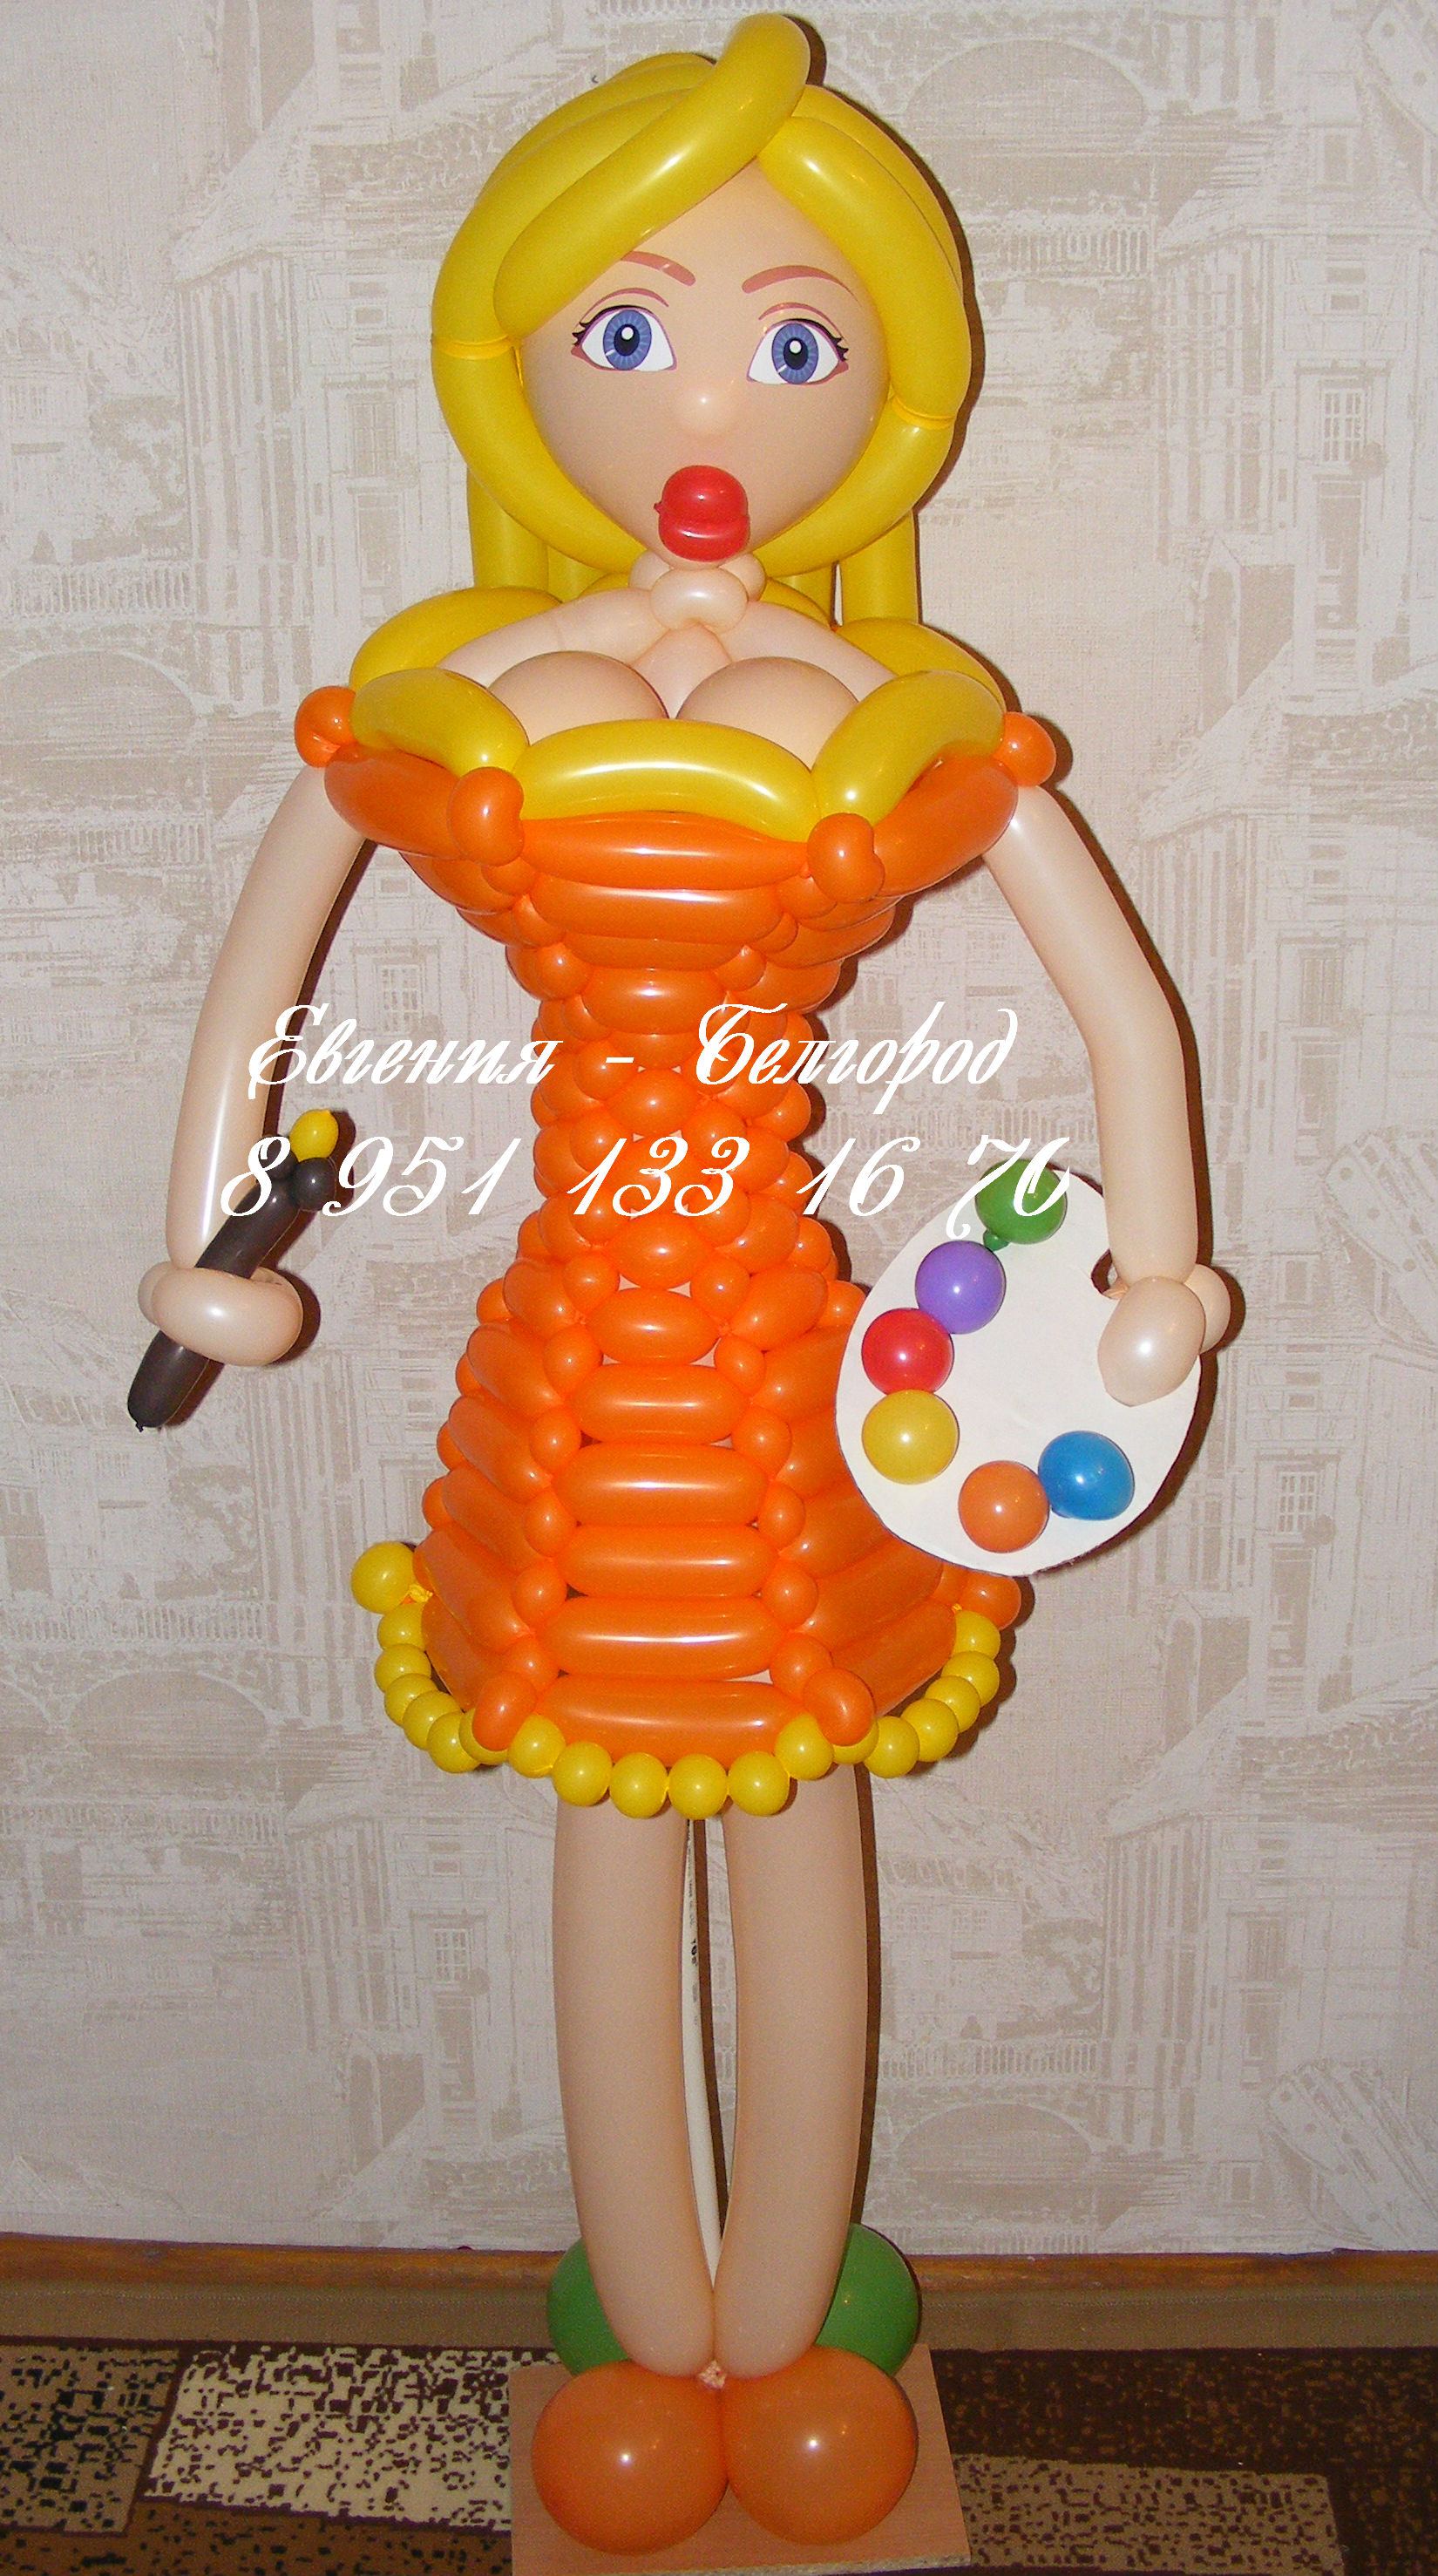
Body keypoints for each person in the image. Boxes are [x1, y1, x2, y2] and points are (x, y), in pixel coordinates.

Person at [139, 16, 1228, 2545]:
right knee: (608, 1815)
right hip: (584, 1352)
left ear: (892, 393)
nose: (711, 405)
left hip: (785, 1356)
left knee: (799, 1784)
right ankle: (657, 2340)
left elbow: (1120, 1009)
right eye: (629, 329)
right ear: (516, 368)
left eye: (796, 337)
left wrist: (1155, 1264)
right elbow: (263, 963)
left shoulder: (905, 709)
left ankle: (786, 2321)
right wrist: (202, 1246)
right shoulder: (449, 692)